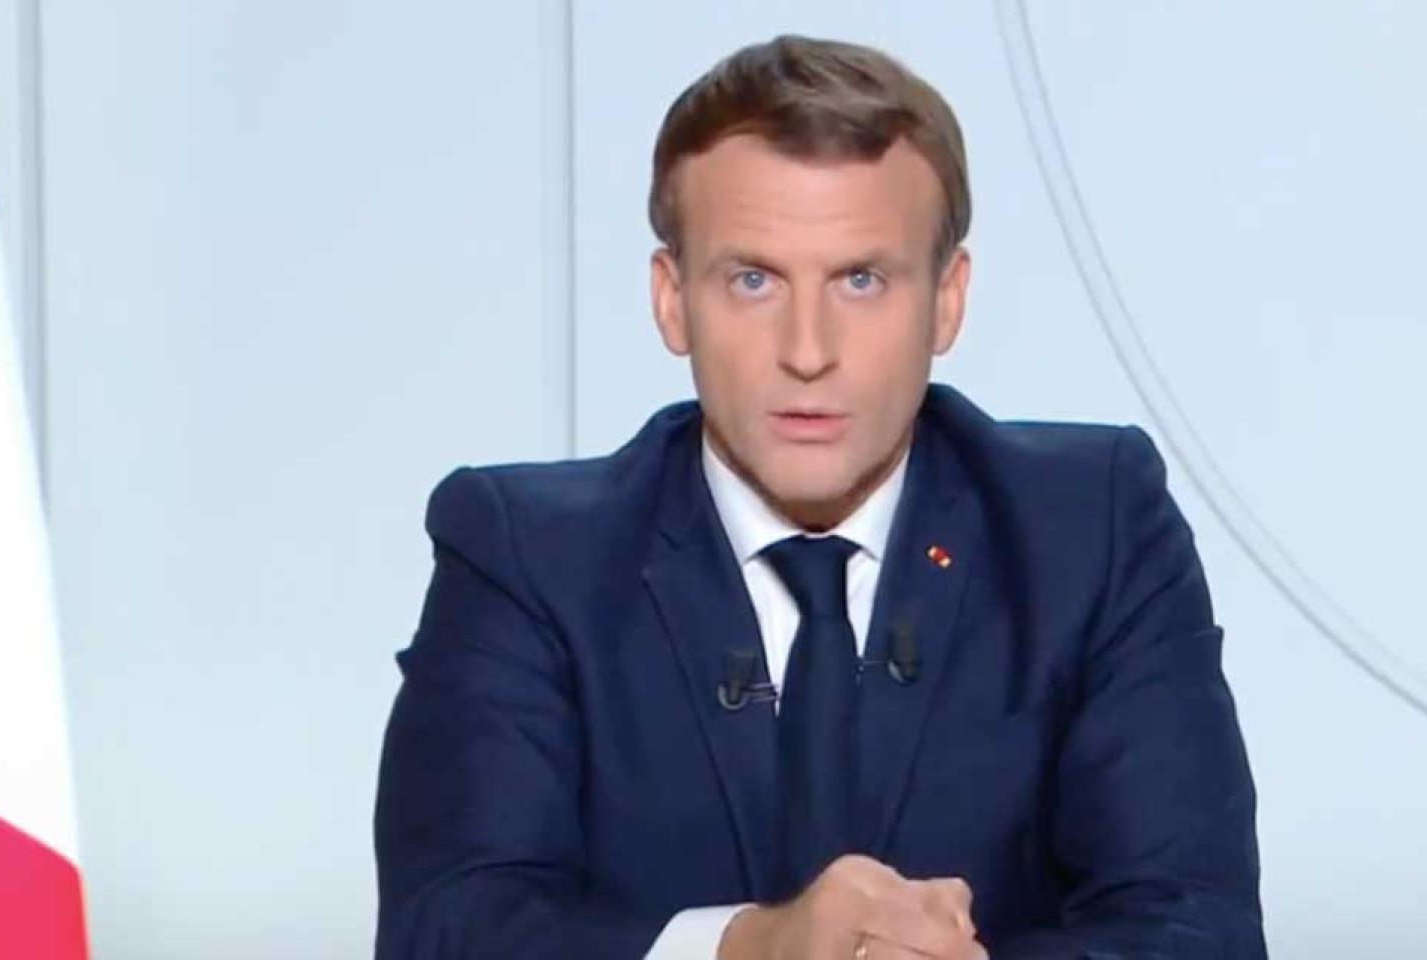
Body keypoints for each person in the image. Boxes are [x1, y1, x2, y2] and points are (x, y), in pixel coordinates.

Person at [373, 35, 1264, 960]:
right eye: (753, 280)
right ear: (672, 299)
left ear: (947, 299)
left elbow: (1200, 932)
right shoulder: (523, 555)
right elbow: (447, 932)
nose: (808, 350)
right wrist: (746, 950)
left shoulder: (1092, 529)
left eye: (861, 280)